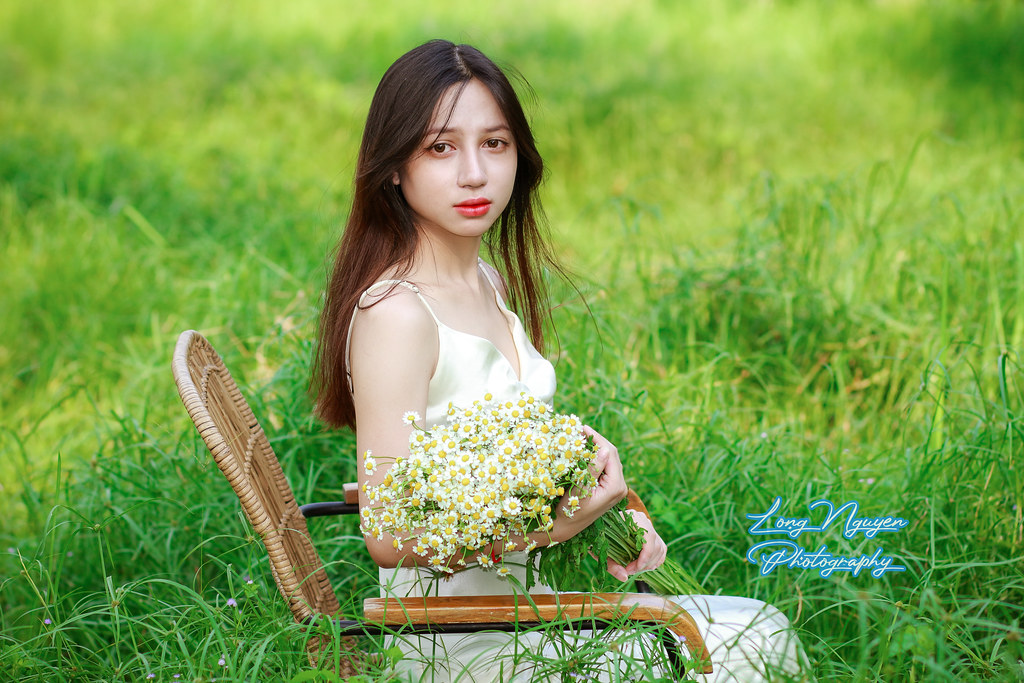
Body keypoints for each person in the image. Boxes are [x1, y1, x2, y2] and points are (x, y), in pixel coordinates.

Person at [312, 39, 811, 682]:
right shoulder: (397, 313)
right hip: (459, 641)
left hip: (533, 612)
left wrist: (611, 501)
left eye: (494, 143)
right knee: (743, 645)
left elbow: (506, 456)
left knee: (760, 627)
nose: (473, 172)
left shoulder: (485, 281)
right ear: (393, 168)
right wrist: (560, 523)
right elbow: (387, 533)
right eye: (440, 147)